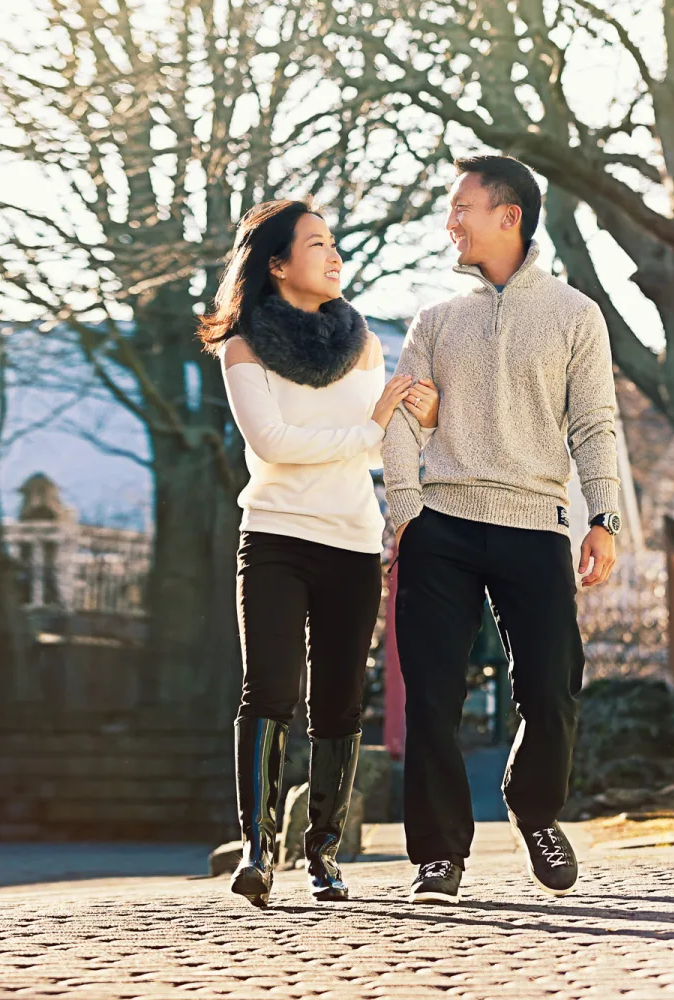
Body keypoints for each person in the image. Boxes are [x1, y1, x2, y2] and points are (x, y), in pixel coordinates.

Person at [383, 156, 622, 904]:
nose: (450, 223)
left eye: (462, 209)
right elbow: (399, 417)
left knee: (552, 688)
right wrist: (405, 510)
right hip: (441, 526)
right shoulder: (435, 321)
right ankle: (438, 856)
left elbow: (594, 424)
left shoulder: (575, 315)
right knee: (431, 695)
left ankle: (534, 808)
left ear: (508, 216)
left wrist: (604, 517)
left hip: (534, 524)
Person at [200, 199, 438, 907]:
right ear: (276, 263)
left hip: (353, 541)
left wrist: (412, 423)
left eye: (334, 243)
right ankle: (257, 850)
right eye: (316, 245)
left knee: (338, 702)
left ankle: (325, 853)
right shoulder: (242, 346)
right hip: (274, 536)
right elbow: (273, 444)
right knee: (268, 690)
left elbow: (397, 434)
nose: (334, 257)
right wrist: (369, 429)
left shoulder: (362, 343)